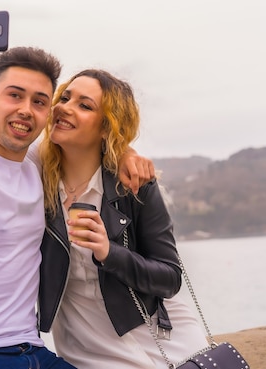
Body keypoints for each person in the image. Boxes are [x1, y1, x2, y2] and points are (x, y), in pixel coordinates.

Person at [0, 8, 154, 369]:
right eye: (14, 96)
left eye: (39, 102)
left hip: (31, 350)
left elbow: (88, 142)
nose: (25, 110)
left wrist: (124, 151)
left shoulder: (37, 167)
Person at [37, 69, 210, 368]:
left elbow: (169, 277)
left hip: (165, 341)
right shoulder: (34, 175)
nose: (64, 107)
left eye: (84, 105)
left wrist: (109, 253)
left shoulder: (133, 187)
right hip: (87, 350)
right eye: (65, 97)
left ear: (106, 128)